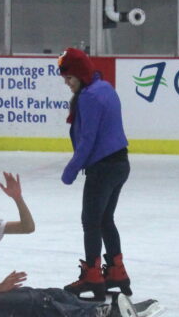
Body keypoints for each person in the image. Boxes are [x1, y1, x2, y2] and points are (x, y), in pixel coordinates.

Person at [0, 173, 164, 317]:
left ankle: (113, 309)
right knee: (39, 302)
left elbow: (28, 227)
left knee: (56, 294)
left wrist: (18, 198)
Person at [56, 48, 133, 302]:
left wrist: (70, 170)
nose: (67, 83)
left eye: (69, 78)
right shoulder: (105, 88)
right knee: (105, 219)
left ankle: (92, 275)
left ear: (79, 73)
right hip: (120, 163)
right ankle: (116, 271)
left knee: (91, 222)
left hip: (102, 168)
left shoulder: (88, 97)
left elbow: (88, 140)